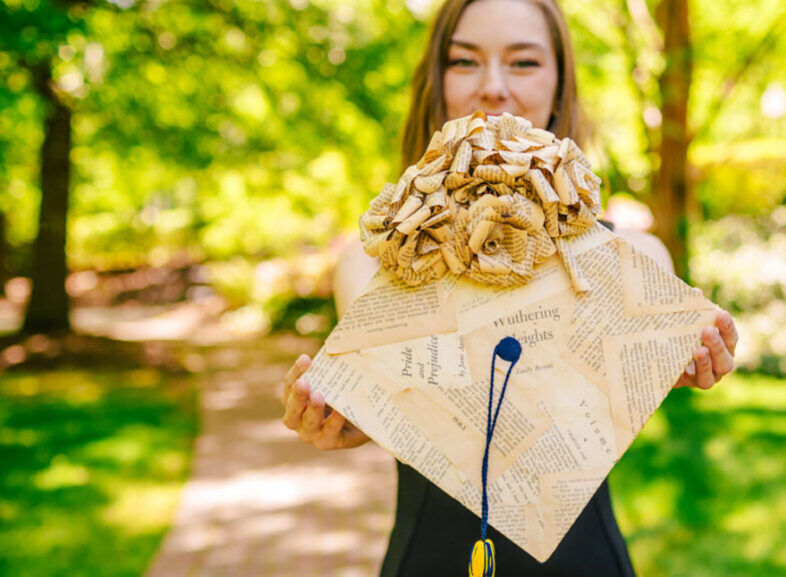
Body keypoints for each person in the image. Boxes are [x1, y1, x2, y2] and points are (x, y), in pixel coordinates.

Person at [280, 0, 739, 574]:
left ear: (559, 85)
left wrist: (650, 365)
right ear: (436, 83)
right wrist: (361, 419)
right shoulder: (370, 265)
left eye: (522, 63)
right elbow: (443, 416)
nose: (493, 87)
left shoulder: (637, 262)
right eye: (465, 62)